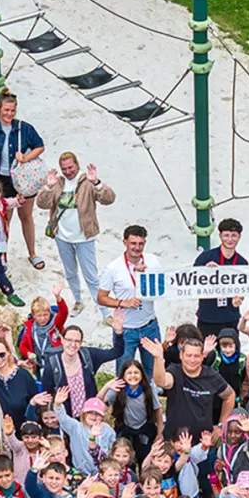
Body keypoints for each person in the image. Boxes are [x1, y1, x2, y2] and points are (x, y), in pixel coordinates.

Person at [35, 152, 115, 308]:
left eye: (70, 167)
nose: (67, 171)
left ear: (77, 165)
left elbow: (109, 199)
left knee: (91, 275)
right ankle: (78, 300)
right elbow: (42, 204)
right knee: (70, 273)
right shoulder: (58, 183)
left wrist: (97, 182)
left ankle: (102, 307)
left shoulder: (87, 182)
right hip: (62, 236)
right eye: (64, 168)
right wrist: (48, 187)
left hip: (84, 237)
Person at [0, 92, 47, 266]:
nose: (9, 114)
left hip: (23, 178)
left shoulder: (24, 127)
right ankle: (2, 255)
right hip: (1, 180)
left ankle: (32, 253)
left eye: (12, 110)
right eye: (6, 110)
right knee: (3, 219)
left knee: (26, 216)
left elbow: (40, 146)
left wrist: (25, 158)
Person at [97, 224, 161, 371]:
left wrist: (143, 276)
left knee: (152, 370)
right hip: (126, 329)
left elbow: (163, 286)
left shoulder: (152, 261)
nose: (137, 248)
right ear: (124, 242)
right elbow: (101, 298)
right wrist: (123, 303)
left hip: (149, 325)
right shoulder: (113, 268)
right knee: (124, 373)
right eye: (133, 243)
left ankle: (151, 393)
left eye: (141, 244)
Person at [194, 217, 247, 335]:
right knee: (206, 353)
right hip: (207, 317)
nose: (230, 239)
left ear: (239, 237)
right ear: (220, 236)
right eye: (226, 235)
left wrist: (240, 298)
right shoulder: (206, 257)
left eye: (234, 235)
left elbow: (245, 287)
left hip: (230, 318)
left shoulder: (242, 262)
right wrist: (205, 272)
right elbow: (191, 281)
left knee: (230, 352)